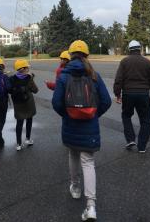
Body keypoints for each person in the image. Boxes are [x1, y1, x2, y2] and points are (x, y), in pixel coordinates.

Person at [52, 40, 111, 221]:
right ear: (87, 55)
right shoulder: (94, 75)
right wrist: (92, 114)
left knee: (73, 155)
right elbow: (106, 101)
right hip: (89, 124)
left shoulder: (63, 75)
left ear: (70, 55)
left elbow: (56, 103)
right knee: (88, 161)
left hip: (70, 124)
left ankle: (75, 188)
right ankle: (91, 206)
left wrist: (68, 114)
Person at [113, 40, 150, 153]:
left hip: (128, 94)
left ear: (129, 49)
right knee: (145, 120)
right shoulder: (148, 62)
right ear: (140, 49)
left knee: (126, 116)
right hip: (143, 94)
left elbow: (118, 79)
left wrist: (117, 94)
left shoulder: (124, 62)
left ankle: (130, 139)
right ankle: (142, 146)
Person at [9, 59, 38, 151]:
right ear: (23, 69)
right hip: (28, 104)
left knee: (19, 123)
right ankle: (28, 139)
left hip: (18, 104)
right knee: (29, 120)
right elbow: (35, 90)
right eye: (27, 68)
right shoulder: (29, 78)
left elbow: (9, 90)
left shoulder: (12, 79)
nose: (28, 69)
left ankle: (18, 144)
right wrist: (31, 78)